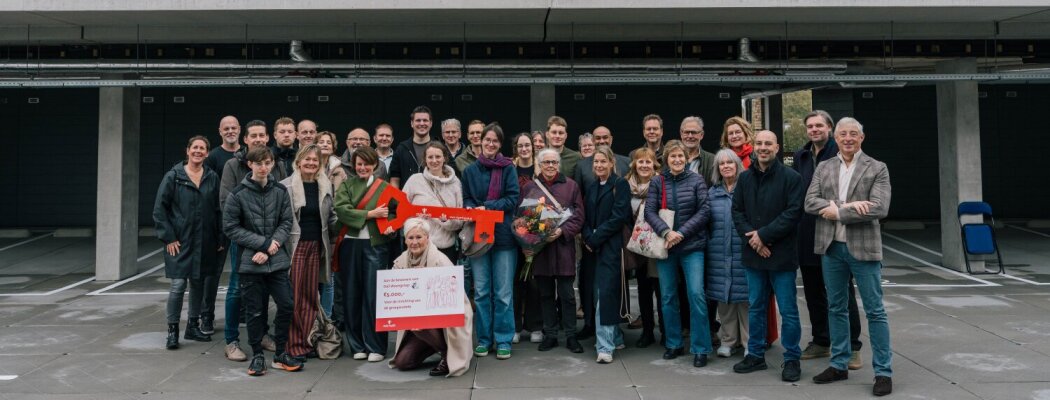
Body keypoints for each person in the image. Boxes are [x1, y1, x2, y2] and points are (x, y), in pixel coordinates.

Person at [805, 117, 893, 397]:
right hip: (832, 248)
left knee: (875, 311)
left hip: (864, 249)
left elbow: (879, 208)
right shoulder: (824, 166)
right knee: (836, 308)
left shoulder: (877, 168)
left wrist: (839, 212)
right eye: (843, 134)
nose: (847, 138)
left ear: (861, 138)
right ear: (837, 137)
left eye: (853, 134)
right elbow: (810, 202)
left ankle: (883, 372)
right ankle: (839, 364)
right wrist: (850, 205)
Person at [730, 131, 804, 383]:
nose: (763, 148)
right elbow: (737, 212)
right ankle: (756, 355)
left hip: (781, 255)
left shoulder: (791, 178)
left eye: (767, 144)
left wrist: (763, 236)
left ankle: (792, 358)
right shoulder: (744, 178)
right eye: (759, 143)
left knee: (788, 309)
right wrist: (755, 240)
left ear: (777, 147)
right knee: (757, 307)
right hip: (754, 255)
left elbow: (793, 213)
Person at [222, 146, 303, 376]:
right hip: (250, 262)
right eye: (259, 163)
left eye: (267, 162)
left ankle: (280, 353)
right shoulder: (237, 194)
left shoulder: (279, 191)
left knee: (286, 304)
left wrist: (271, 246)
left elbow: (286, 222)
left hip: (276, 260)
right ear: (250, 164)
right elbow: (230, 228)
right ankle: (257, 355)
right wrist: (261, 244)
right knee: (255, 312)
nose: (263, 167)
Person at [793, 111, 864, 368]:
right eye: (810, 126)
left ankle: (853, 346)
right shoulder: (801, 156)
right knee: (813, 292)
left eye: (819, 125)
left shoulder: (842, 154)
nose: (814, 130)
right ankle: (822, 340)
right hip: (806, 233)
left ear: (830, 129)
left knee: (841, 293)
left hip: (835, 233)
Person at [219, 119, 283, 362]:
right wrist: (259, 242)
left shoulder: (276, 164)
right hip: (244, 242)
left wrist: (272, 242)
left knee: (264, 288)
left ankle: (263, 334)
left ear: (268, 138)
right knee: (236, 289)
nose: (257, 139)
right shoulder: (232, 166)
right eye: (253, 135)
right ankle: (231, 341)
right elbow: (226, 207)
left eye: (261, 135)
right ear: (245, 140)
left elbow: (283, 205)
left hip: (270, 242)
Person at [645, 140, 712, 368]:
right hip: (667, 247)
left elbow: (704, 211)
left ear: (686, 158)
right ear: (666, 159)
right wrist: (666, 232)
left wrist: (680, 233)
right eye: (672, 157)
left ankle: (701, 347)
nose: (676, 160)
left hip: (692, 247)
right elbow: (649, 211)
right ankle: (673, 343)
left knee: (696, 295)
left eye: (680, 157)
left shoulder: (697, 180)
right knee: (667, 296)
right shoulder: (657, 181)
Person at [154, 135, 223, 350]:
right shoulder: (173, 176)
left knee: (198, 284)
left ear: (207, 153)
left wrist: (219, 237)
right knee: (177, 285)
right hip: (180, 242)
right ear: (188, 150)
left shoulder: (212, 177)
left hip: (205, 241)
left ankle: (193, 326)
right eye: (195, 147)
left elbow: (218, 210)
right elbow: (160, 210)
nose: (198, 151)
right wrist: (169, 237)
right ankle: (173, 330)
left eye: (202, 148)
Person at [461, 123, 520, 360]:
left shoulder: (508, 168)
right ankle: (484, 339)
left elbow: (513, 198)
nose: (491, 144)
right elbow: (466, 197)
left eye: (495, 141)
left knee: (503, 293)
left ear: (500, 144)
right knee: (483, 292)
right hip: (478, 238)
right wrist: (470, 208)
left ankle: (504, 339)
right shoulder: (469, 171)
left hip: (504, 237)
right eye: (487, 140)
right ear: (480, 142)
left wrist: (488, 207)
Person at [334, 146, 397, 362]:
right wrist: (371, 214)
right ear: (353, 166)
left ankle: (377, 346)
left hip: (376, 245)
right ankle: (357, 345)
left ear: (375, 165)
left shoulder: (385, 188)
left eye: (366, 164)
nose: (362, 167)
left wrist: (391, 226)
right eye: (358, 164)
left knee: (374, 296)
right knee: (351, 294)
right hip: (350, 245)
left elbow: (397, 212)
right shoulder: (347, 185)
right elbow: (341, 210)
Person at [389, 218, 474, 377]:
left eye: (419, 237)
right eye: (411, 237)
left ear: (427, 238)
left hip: (447, 319)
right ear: (405, 240)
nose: (415, 242)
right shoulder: (400, 262)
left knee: (420, 323)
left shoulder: (440, 261)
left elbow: (452, 301)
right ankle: (436, 345)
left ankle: (446, 353)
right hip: (419, 324)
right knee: (403, 362)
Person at [524, 148, 585, 354]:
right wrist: (536, 235)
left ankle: (570, 335)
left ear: (559, 164)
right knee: (546, 294)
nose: (550, 166)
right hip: (542, 251)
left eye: (554, 162)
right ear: (539, 165)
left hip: (564, 247)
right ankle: (550, 334)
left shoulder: (571, 186)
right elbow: (524, 216)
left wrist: (561, 231)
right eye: (546, 162)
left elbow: (579, 216)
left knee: (567, 295)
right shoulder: (531, 187)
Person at [280, 145, 337, 360]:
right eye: (307, 160)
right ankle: (292, 345)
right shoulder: (285, 187)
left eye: (316, 161)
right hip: (295, 248)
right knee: (294, 298)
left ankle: (306, 341)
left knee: (311, 298)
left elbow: (331, 218)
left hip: (317, 247)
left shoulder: (325, 185)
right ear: (299, 162)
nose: (311, 164)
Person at [582, 146, 632, 363]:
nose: (599, 165)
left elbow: (619, 216)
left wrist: (595, 237)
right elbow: (584, 217)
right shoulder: (592, 187)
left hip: (611, 248)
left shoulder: (620, 185)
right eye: (596, 162)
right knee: (596, 294)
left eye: (603, 161)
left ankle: (605, 346)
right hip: (593, 249)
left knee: (606, 295)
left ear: (612, 163)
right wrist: (587, 236)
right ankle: (617, 336)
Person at [705, 149, 749, 359]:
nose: (726, 166)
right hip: (718, 253)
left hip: (743, 251)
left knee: (746, 298)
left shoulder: (747, 189)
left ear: (737, 165)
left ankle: (750, 342)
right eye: (721, 164)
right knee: (725, 299)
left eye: (730, 163)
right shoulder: (712, 193)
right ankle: (728, 340)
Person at [202, 115, 240, 336]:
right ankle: (207, 316)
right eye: (226, 128)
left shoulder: (246, 155)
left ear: (239, 130)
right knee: (213, 273)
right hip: (219, 223)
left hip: (241, 223)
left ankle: (241, 312)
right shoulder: (214, 157)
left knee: (241, 272)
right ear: (220, 131)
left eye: (233, 127)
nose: (230, 131)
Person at [624, 147, 663, 348]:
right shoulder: (626, 185)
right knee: (643, 289)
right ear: (635, 165)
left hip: (657, 245)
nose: (645, 165)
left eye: (648, 162)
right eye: (641, 162)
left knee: (661, 289)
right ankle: (647, 331)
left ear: (654, 165)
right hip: (637, 246)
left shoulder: (661, 184)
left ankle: (665, 331)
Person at [401, 143, 465, 263]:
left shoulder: (455, 184)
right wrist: (415, 223)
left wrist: (445, 221)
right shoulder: (414, 180)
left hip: (446, 247)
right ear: (425, 159)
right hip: (417, 247)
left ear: (445, 158)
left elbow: (459, 222)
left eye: (438, 157)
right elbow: (401, 210)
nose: (434, 160)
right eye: (430, 157)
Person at [510, 132, 544, 344]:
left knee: (534, 283)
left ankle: (535, 326)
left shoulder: (541, 170)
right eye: (520, 146)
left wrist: (534, 237)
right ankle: (515, 326)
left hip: (537, 231)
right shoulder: (509, 169)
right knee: (515, 282)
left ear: (533, 148)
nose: (524, 149)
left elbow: (545, 203)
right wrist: (519, 233)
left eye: (527, 145)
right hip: (514, 230)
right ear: (516, 149)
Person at [314, 131, 345, 319]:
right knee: (310, 277)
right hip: (311, 227)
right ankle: (311, 317)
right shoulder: (308, 165)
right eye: (321, 141)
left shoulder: (340, 171)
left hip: (331, 228)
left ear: (333, 147)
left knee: (329, 278)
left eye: (328, 142)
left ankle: (326, 319)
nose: (325, 144)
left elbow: (340, 199)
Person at [389, 106, 434, 188]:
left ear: (431, 123)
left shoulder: (440, 148)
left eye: (425, 120)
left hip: (432, 200)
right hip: (407, 199)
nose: (421, 123)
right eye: (418, 120)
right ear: (412, 123)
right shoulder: (401, 149)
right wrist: (397, 200)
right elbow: (394, 179)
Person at [680, 116, 717, 187]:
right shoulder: (671, 159)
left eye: (694, 132)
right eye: (687, 132)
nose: (690, 136)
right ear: (681, 134)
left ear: (701, 135)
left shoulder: (713, 160)